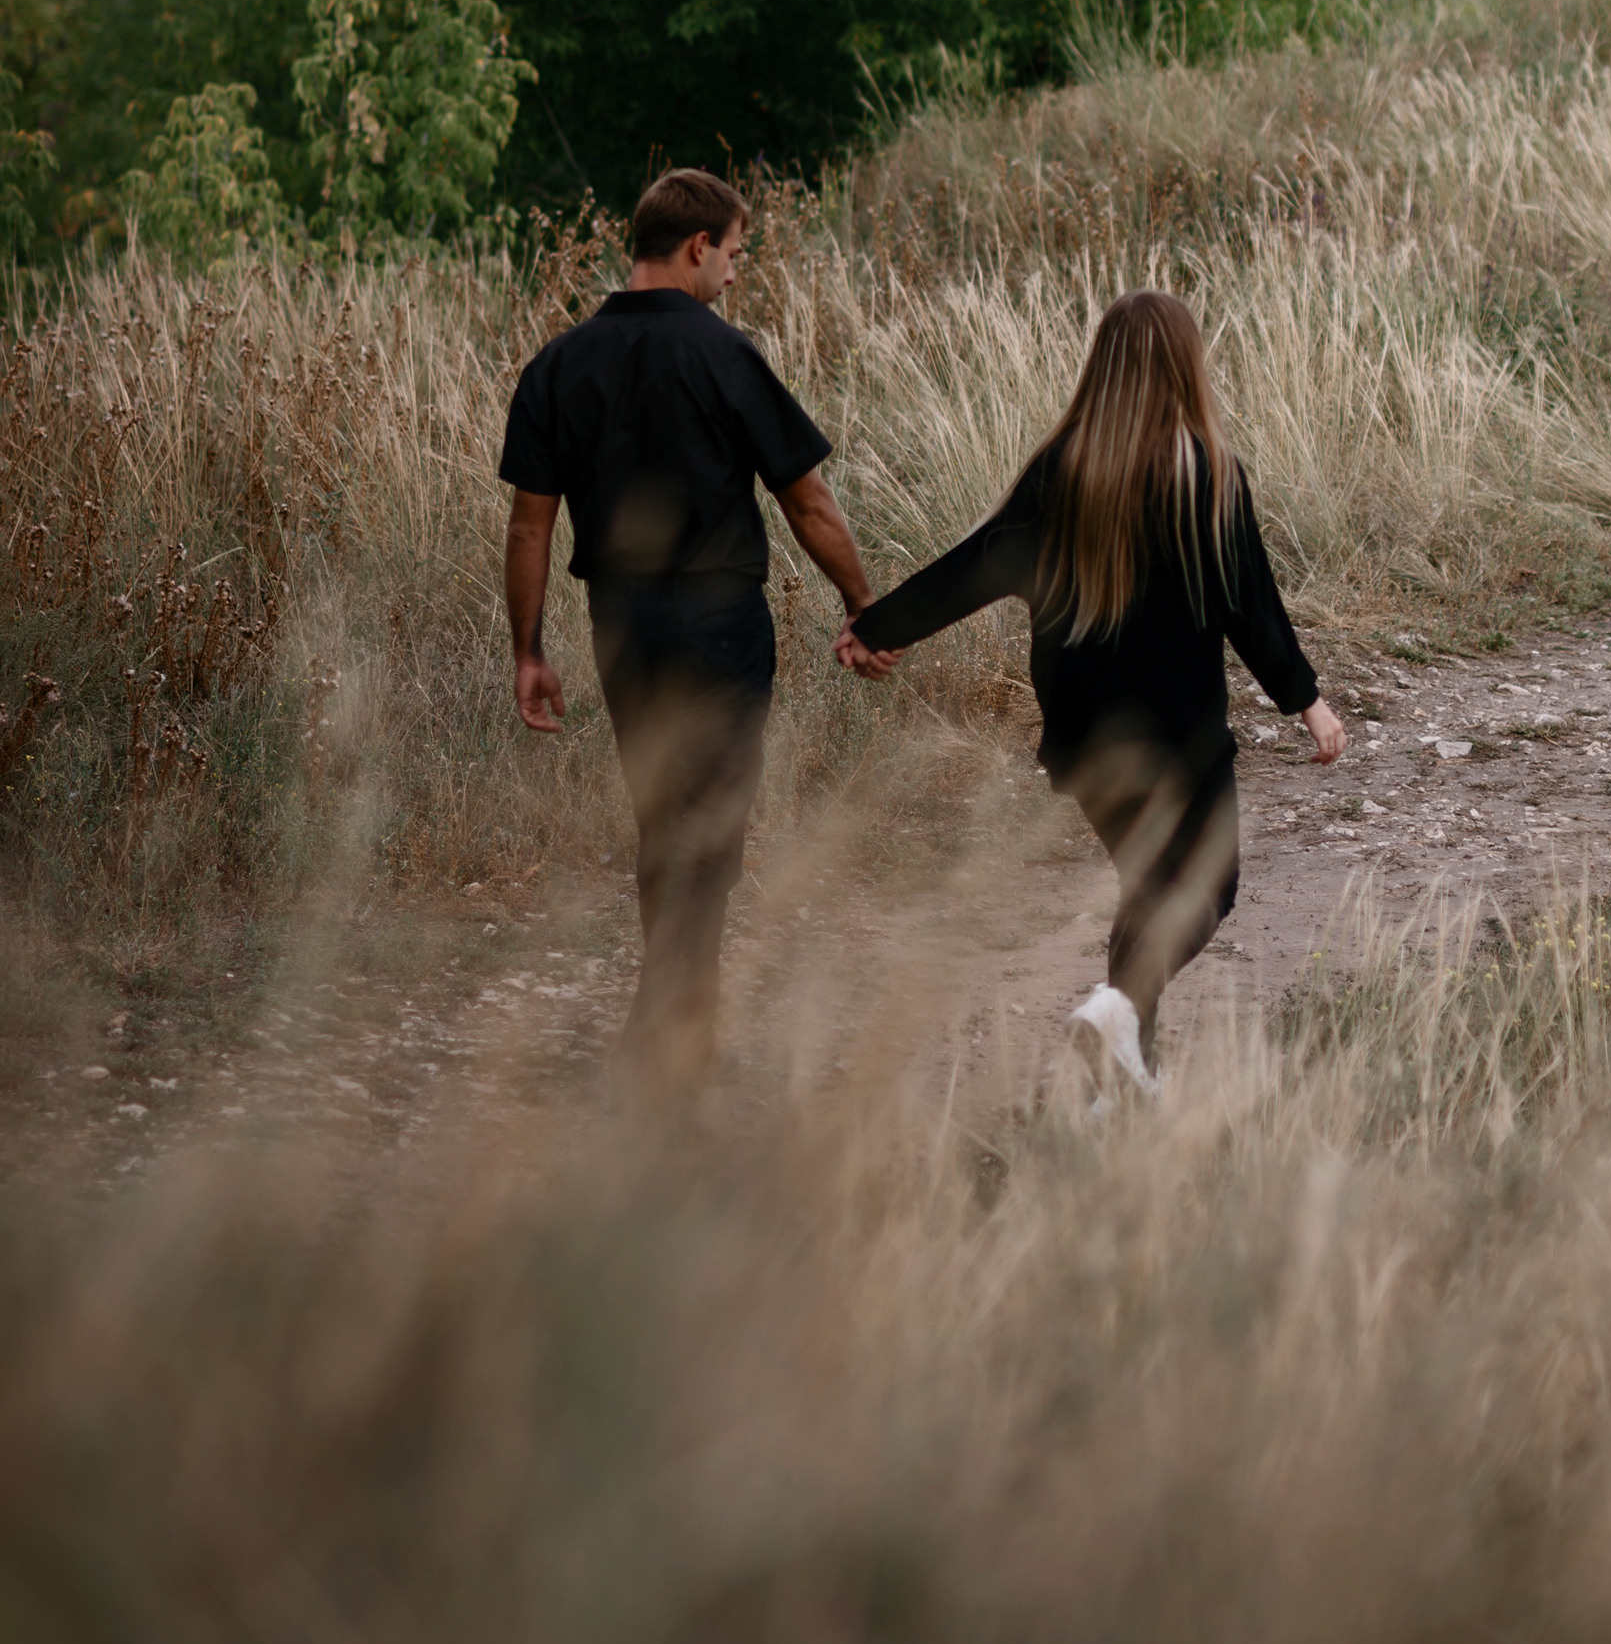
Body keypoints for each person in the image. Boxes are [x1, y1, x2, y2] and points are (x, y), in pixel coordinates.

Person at [837, 289, 1345, 1094]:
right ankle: (1117, 1011)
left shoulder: (1061, 469)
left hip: (1084, 728)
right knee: (1208, 889)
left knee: (1148, 888)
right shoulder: (1205, 471)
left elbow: (979, 564)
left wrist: (881, 624)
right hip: (1179, 727)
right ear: (1186, 364)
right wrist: (1305, 700)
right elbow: (1253, 603)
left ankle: (1124, 1072)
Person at [499, 165, 876, 1100]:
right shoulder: (723, 354)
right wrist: (864, 603)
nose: (737, 275)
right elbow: (808, 499)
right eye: (736, 254)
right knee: (705, 832)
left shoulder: (559, 365)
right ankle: (668, 1043)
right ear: (697, 246)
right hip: (719, 626)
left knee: (667, 825)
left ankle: (677, 1033)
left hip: (619, 626)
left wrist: (530, 649)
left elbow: (529, 526)